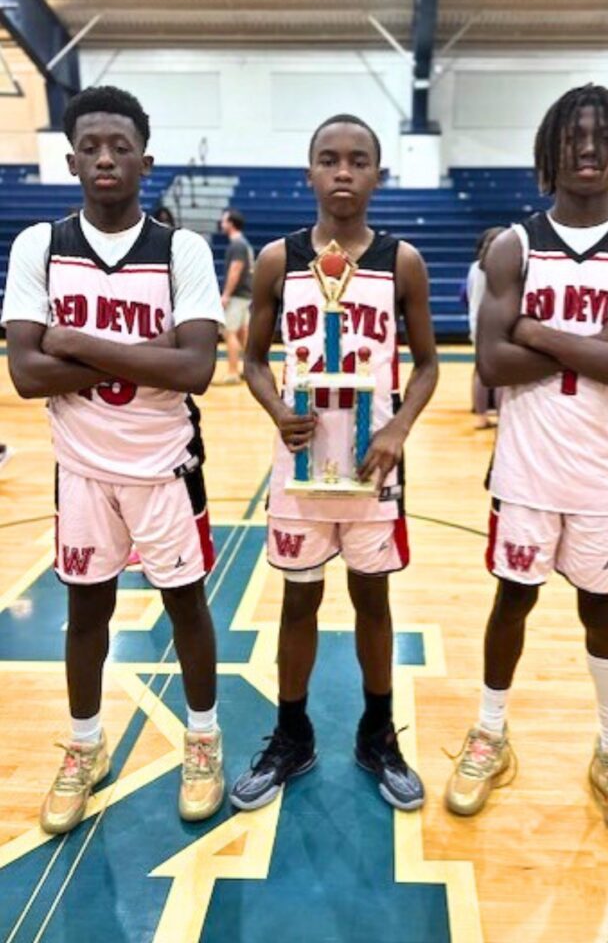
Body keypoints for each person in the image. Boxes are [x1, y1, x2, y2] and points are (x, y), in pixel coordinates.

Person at [445, 85, 608, 845]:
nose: (588, 148)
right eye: (574, 135)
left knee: (600, 611)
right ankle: (489, 734)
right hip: (524, 469)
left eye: (603, 135)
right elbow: (490, 364)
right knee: (511, 600)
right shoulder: (514, 246)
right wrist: (597, 344)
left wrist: (539, 332)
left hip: (603, 472)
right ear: (550, 149)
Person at [1, 85, 226, 834]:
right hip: (82, 469)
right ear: (70, 162)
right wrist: (142, 354)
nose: (105, 158)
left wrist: (74, 342)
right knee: (85, 613)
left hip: (164, 466)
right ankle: (85, 745)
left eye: (120, 147)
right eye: (91, 147)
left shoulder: (180, 249)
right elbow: (26, 374)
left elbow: (195, 368)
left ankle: (203, 740)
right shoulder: (40, 246)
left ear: (145, 162)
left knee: (186, 606)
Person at [229, 114, 438, 812]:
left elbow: (429, 365)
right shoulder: (276, 260)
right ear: (309, 173)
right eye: (329, 159)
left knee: (373, 600)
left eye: (357, 160)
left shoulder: (402, 261)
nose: (342, 171)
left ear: (378, 174)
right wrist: (274, 409)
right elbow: (254, 362)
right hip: (301, 465)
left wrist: (399, 427)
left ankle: (377, 735)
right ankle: (293, 736)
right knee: (299, 600)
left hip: (373, 465)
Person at [467, 227, 504, 429]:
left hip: (477, 323)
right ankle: (500, 415)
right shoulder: (501, 266)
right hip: (494, 324)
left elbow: (467, 295)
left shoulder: (475, 267)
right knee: (501, 374)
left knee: (480, 372)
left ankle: (481, 414)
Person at [218, 208, 253, 385]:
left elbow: (235, 270)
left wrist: (226, 295)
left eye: (224, 220)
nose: (221, 223)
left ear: (231, 224)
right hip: (246, 295)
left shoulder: (237, 245)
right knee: (242, 334)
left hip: (237, 296)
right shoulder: (244, 244)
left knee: (229, 332)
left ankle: (233, 372)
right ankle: (250, 371)